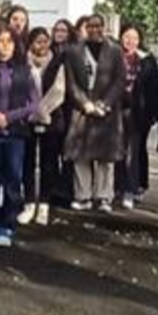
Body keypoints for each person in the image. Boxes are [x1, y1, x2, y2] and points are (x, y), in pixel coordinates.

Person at [0, 29, 41, 246]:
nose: (4, 46)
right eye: (0, 41)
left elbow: (33, 103)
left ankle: (8, 225)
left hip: (16, 133)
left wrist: (10, 117)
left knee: (13, 180)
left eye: (8, 42)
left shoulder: (25, 70)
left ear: (15, 45)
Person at [64, 14, 126, 212]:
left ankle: (104, 196)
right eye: (90, 26)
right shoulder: (74, 51)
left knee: (106, 158)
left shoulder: (115, 51)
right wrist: (84, 103)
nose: (94, 29)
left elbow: (120, 80)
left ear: (104, 27)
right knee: (81, 155)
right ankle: (82, 196)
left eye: (98, 26)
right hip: (82, 108)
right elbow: (70, 81)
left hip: (107, 109)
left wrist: (105, 104)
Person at [23, 26, 67, 226]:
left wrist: (42, 110)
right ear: (31, 43)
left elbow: (60, 89)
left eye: (45, 41)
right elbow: (19, 88)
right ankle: (29, 202)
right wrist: (31, 110)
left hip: (52, 117)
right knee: (28, 162)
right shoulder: (23, 62)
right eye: (37, 41)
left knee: (49, 163)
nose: (42, 45)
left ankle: (45, 204)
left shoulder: (58, 61)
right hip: (27, 118)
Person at [115, 25, 158, 210]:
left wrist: (151, 115)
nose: (130, 41)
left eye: (134, 37)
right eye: (126, 37)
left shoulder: (147, 61)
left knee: (133, 153)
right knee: (116, 152)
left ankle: (130, 189)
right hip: (115, 111)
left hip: (137, 114)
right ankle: (116, 188)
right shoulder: (114, 56)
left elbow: (153, 90)